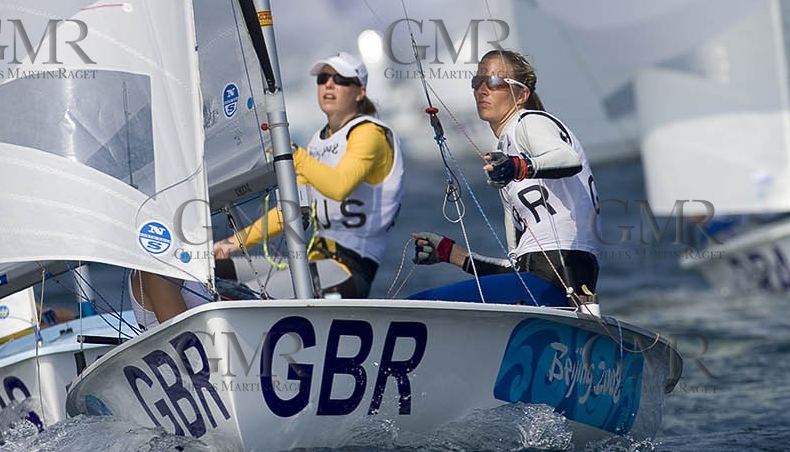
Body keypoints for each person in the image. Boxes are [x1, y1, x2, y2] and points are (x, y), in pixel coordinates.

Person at [131, 50, 404, 324]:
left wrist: (293, 155)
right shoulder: (319, 142)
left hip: (347, 270)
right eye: (323, 78)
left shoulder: (370, 134)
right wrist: (231, 243)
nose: (329, 84)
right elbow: (291, 212)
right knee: (208, 271)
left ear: (360, 92)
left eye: (341, 79)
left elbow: (340, 186)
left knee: (246, 298)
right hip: (312, 262)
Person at [411, 48, 602, 309]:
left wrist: (519, 167)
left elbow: (568, 159)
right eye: (478, 82)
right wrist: (451, 254)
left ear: (522, 94)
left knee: (419, 304)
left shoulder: (528, 121)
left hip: (562, 277)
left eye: (494, 82)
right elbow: (519, 271)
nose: (482, 90)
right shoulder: (509, 150)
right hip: (547, 284)